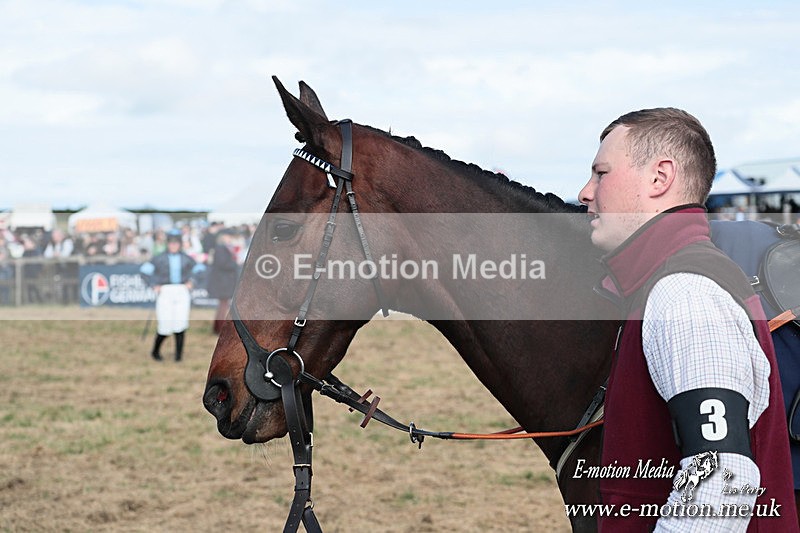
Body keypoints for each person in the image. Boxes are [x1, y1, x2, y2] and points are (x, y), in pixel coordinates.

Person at [578, 108, 798, 531]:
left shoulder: (686, 292)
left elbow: (721, 482)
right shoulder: (667, 281)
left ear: (660, 178)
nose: (586, 192)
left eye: (601, 173)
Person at [140, 230, 203, 362]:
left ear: (180, 244)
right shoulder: (158, 258)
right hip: (165, 291)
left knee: (180, 323)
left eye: (176, 243)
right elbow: (144, 271)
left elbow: (200, 269)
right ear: (167, 244)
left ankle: (178, 356)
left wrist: (192, 282)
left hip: (181, 290)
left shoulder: (187, 258)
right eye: (171, 243)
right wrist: (153, 284)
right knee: (165, 324)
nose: (173, 246)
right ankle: (155, 351)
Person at [207, 228, 239, 334]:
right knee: (223, 306)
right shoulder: (220, 248)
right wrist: (235, 264)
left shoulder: (223, 248)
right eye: (228, 236)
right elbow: (222, 264)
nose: (230, 239)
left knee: (223, 305)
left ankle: (217, 327)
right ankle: (219, 328)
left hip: (224, 281)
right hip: (222, 282)